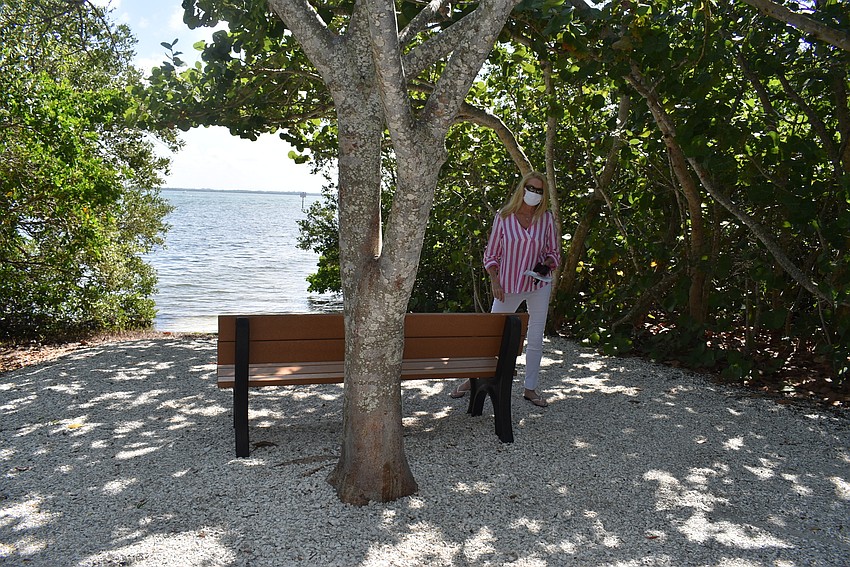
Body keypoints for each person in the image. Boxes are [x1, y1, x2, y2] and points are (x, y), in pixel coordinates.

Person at [451, 171, 561, 407]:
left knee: (535, 337)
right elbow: (491, 255)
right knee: (492, 335)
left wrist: (547, 265)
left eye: (539, 191)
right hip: (508, 286)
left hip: (537, 284)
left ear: (544, 195)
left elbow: (554, 253)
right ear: (522, 189)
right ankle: (473, 379)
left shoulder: (546, 219)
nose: (534, 194)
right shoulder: (505, 216)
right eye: (530, 188)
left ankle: (530, 388)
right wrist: (494, 280)